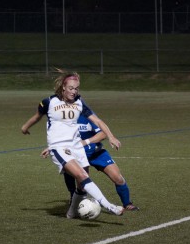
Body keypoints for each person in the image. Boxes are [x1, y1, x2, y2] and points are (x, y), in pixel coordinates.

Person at [21, 69, 124, 218]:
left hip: (77, 146)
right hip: (59, 147)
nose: (74, 91)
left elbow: (98, 121)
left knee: (81, 186)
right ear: (63, 86)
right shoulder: (49, 102)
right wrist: (25, 127)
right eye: (70, 88)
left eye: (76, 88)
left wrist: (111, 136)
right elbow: (37, 117)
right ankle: (109, 206)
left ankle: (70, 214)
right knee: (82, 175)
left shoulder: (80, 102)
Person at [42, 114, 139, 211]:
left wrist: (86, 142)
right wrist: (51, 147)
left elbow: (103, 134)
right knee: (77, 179)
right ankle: (73, 197)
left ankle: (127, 203)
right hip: (76, 154)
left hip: (96, 153)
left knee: (118, 178)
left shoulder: (87, 116)